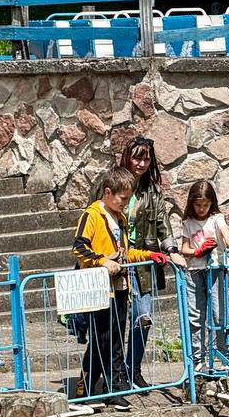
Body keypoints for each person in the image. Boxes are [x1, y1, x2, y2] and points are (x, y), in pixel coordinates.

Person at [90, 136, 184, 387]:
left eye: (146, 159)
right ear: (127, 157)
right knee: (111, 324)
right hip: (113, 263)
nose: (141, 164)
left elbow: (163, 222)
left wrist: (172, 250)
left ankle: (133, 370)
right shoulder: (108, 183)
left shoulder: (152, 191)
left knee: (143, 317)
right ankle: (109, 376)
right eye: (137, 158)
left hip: (141, 262)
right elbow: (93, 217)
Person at [72, 167, 169, 397]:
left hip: (120, 288)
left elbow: (125, 252)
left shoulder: (120, 218)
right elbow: (79, 247)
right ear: (108, 192)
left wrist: (148, 255)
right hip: (99, 289)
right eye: (123, 198)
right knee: (101, 340)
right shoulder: (92, 215)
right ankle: (91, 387)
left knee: (115, 340)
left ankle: (111, 387)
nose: (126, 203)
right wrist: (102, 261)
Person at [180, 179, 229, 376]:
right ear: (192, 203)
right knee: (195, 317)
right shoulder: (187, 222)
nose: (201, 209)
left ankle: (226, 357)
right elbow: (184, 248)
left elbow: (227, 236)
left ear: (212, 203)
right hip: (194, 271)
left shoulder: (217, 218)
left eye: (205, 205)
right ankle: (198, 360)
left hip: (215, 270)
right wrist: (197, 251)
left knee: (219, 314)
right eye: (198, 205)